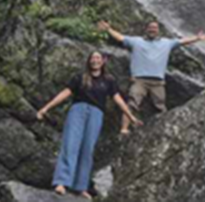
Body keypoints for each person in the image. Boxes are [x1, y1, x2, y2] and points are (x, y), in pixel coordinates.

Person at [36, 51, 141, 198]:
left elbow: (118, 99)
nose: (95, 60)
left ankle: (80, 186)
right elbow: (65, 93)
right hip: (78, 110)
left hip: (96, 114)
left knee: (87, 149)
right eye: (92, 58)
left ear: (103, 61)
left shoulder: (109, 80)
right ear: (89, 61)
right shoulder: (80, 77)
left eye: (98, 58)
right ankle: (62, 182)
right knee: (70, 144)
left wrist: (130, 116)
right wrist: (46, 108)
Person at [97, 19, 205, 134]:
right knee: (132, 103)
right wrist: (108, 29)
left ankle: (164, 130)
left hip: (158, 82)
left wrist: (197, 38)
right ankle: (124, 128)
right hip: (140, 80)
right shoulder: (136, 41)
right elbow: (120, 37)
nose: (152, 29)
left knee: (160, 107)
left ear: (158, 30)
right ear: (146, 29)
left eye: (155, 28)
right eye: (150, 27)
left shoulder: (166, 43)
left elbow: (182, 41)